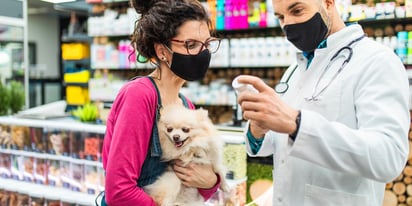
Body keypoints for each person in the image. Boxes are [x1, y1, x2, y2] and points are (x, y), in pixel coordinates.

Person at [236, 0, 410, 205]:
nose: (288, 25)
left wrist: (297, 123)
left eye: (297, 10)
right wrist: (258, 129)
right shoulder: (295, 69)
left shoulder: (377, 60)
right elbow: (280, 144)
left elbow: (387, 157)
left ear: (328, 3)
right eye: (281, 17)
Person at [101, 0, 222, 205]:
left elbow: (193, 180)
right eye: (191, 45)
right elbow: (119, 191)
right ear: (162, 51)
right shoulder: (140, 96)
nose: (203, 53)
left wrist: (211, 181)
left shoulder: (186, 105)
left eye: (207, 44)